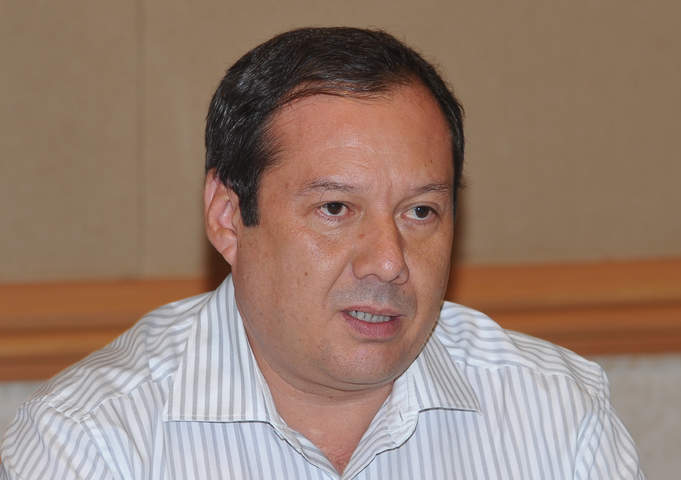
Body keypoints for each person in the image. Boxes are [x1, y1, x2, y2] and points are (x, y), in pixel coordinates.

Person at [0, 27, 644, 479]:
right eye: (336, 209)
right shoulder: (90, 443)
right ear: (228, 217)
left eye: (420, 212)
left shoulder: (554, 412)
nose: (388, 261)